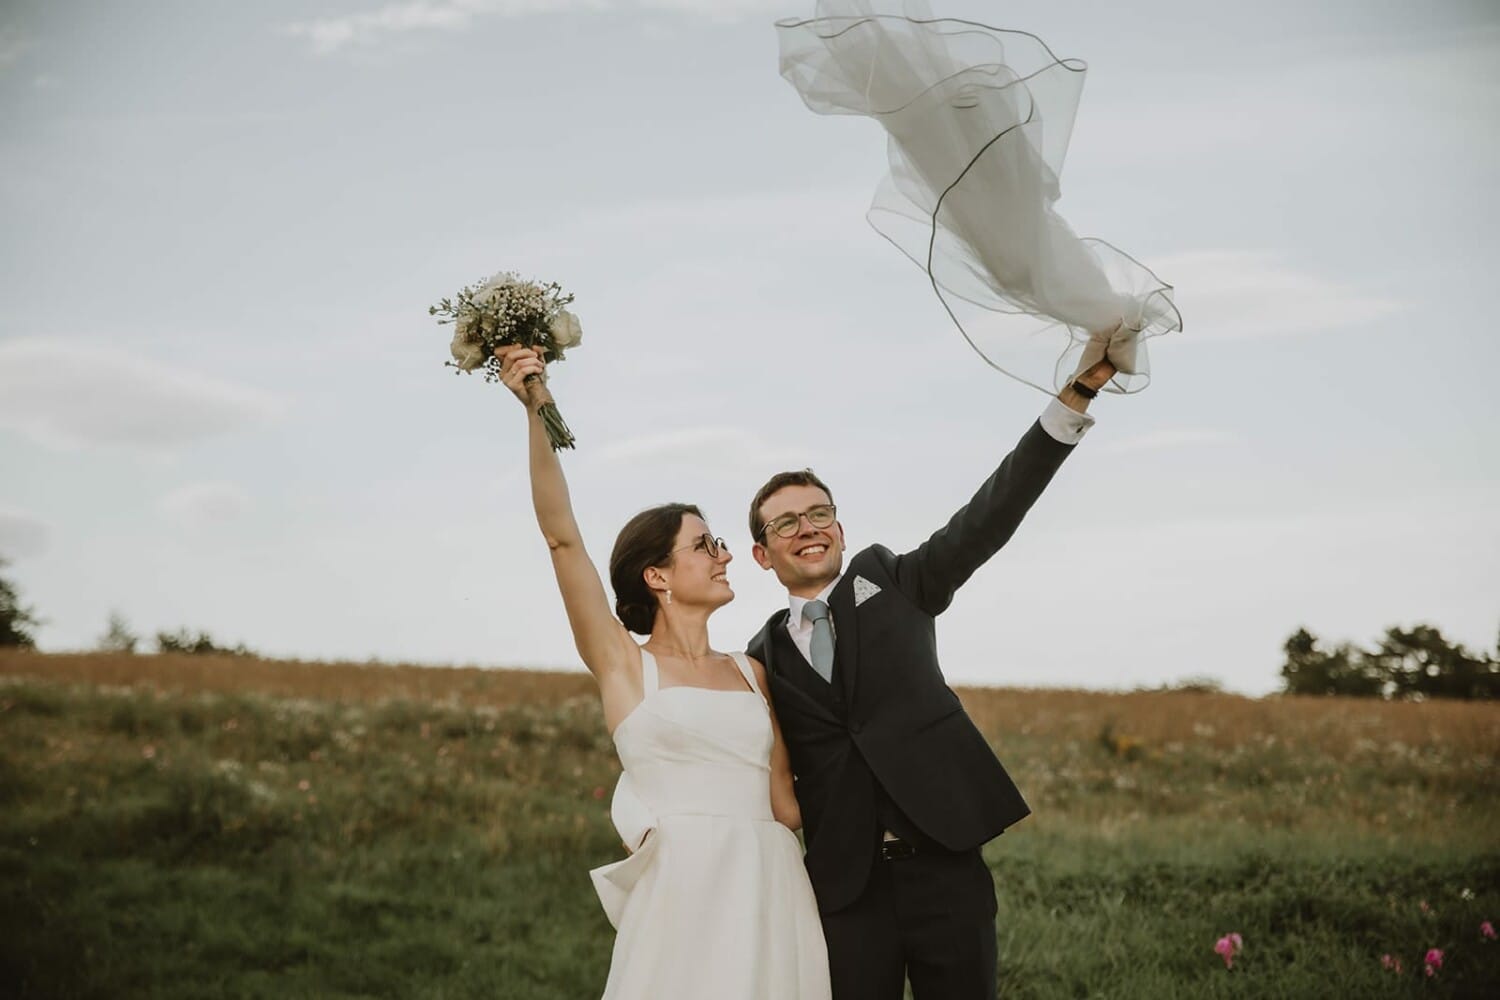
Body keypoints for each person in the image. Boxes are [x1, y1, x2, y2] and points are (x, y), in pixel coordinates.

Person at [745, 346, 1122, 999]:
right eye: (786, 522)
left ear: (839, 526)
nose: (808, 528)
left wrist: (1075, 397)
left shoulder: (893, 580)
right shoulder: (759, 658)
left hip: (945, 864)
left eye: (820, 513)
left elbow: (988, 517)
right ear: (761, 552)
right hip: (845, 889)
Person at [494, 345, 832, 1000]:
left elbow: (789, 804)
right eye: (705, 545)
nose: (725, 555)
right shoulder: (623, 664)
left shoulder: (753, 673)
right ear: (657, 576)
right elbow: (562, 538)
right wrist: (538, 413)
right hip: (684, 894)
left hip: (773, 888)